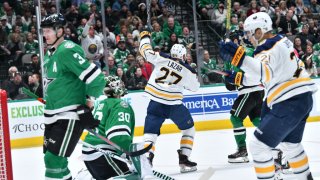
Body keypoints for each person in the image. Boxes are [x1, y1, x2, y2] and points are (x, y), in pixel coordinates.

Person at [219, 12, 317, 180]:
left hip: (289, 100)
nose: (248, 38)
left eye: (249, 33)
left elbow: (262, 73)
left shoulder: (266, 46)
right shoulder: (281, 41)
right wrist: (237, 77)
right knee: (290, 145)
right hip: (302, 98)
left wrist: (239, 58)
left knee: (258, 147)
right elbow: (263, 76)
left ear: (259, 31)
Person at [41, 13, 105, 180]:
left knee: (53, 159)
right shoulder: (51, 54)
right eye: (44, 31)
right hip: (52, 116)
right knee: (53, 161)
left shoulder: (67, 50)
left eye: (49, 31)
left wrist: (89, 101)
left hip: (68, 116)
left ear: (60, 31)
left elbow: (96, 78)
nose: (45, 35)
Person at [139, 30, 200, 173]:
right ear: (183, 55)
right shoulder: (188, 70)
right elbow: (195, 87)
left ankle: (147, 158)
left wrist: (145, 37)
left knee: (150, 134)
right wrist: (192, 74)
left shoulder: (161, 57)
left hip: (155, 102)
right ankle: (184, 160)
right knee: (189, 129)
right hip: (174, 105)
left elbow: (145, 51)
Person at [81, 75, 153, 180]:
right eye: (120, 84)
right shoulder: (121, 105)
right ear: (116, 88)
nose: (123, 85)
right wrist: (133, 156)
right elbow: (118, 135)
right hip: (103, 153)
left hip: (91, 152)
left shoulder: (101, 103)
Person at [223, 31, 265, 164]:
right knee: (257, 120)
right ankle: (276, 144)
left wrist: (234, 78)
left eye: (235, 41)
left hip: (250, 91)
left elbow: (251, 70)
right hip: (254, 91)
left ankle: (242, 151)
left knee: (235, 117)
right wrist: (228, 79)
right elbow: (230, 86)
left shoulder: (246, 51)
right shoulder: (229, 59)